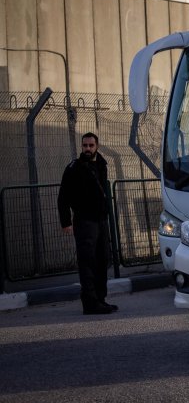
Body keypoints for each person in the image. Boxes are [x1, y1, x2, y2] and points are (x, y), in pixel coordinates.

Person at [58, 132, 118, 315]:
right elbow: (63, 196)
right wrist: (66, 222)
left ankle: (100, 299)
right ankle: (90, 303)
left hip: (100, 220)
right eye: (85, 145)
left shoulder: (101, 165)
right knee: (87, 262)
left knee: (102, 260)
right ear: (81, 146)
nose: (88, 149)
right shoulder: (74, 168)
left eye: (91, 145)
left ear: (97, 146)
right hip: (84, 221)